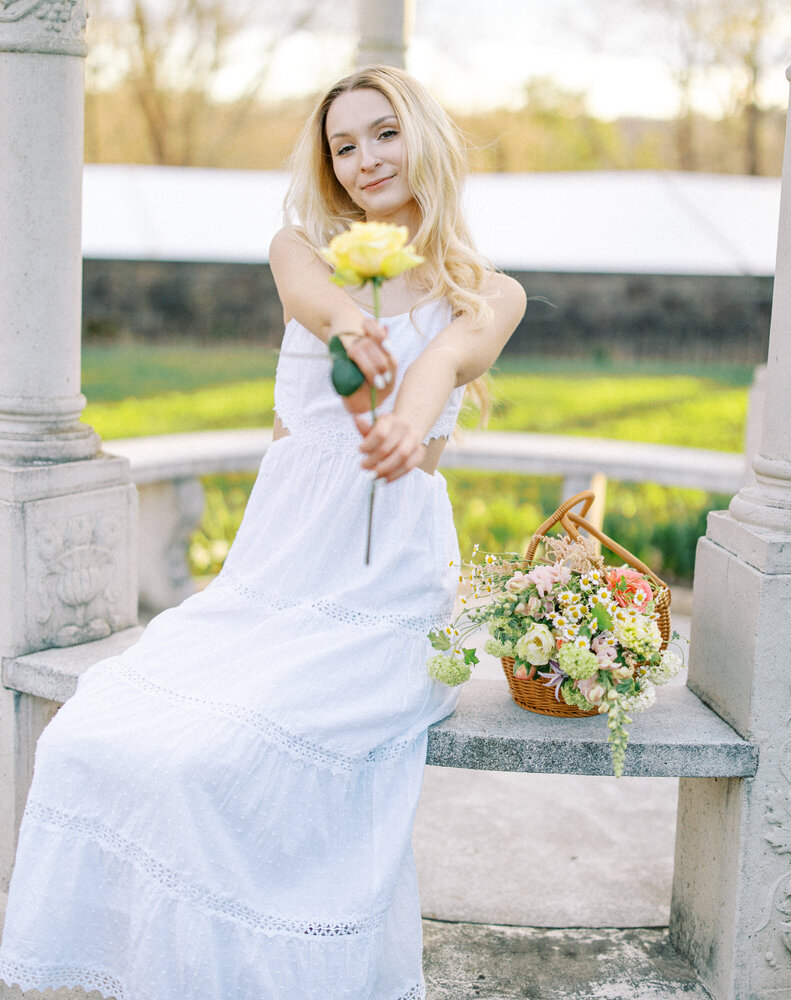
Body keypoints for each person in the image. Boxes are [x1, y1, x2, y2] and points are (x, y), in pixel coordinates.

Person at [0, 65, 525, 1000]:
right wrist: (353, 332)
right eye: (344, 145)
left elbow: (451, 353)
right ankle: (151, 963)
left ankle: (272, 964)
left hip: (386, 575)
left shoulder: (489, 291)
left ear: (427, 139)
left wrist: (411, 415)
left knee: (224, 759)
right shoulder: (302, 249)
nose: (365, 159)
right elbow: (317, 306)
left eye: (384, 133)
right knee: (91, 736)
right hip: (278, 565)